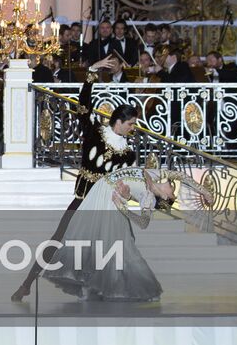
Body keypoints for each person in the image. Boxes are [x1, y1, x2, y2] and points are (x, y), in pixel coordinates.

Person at [12, 78, 140, 302]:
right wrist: (90, 76)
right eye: (130, 123)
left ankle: (107, 287)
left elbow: (127, 181)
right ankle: (26, 284)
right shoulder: (95, 133)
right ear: (118, 121)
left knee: (124, 243)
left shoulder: (129, 154)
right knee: (57, 239)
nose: (133, 128)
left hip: (109, 206)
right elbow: (83, 106)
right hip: (83, 201)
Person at [44, 165, 199, 302]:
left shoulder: (149, 197)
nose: (174, 190)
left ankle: (100, 287)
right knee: (91, 240)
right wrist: (204, 192)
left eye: (173, 194)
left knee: (110, 246)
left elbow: (143, 223)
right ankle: (89, 286)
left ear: (164, 197)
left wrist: (123, 207)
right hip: (100, 191)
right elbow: (180, 175)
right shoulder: (153, 175)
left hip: (109, 201)